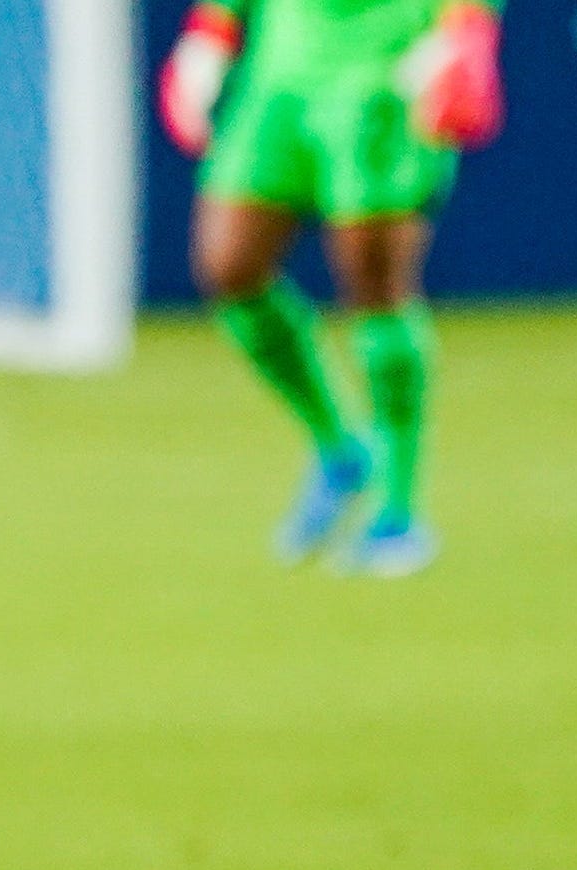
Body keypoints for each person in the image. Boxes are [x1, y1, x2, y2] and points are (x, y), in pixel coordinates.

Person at [159, 0, 504, 573]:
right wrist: (210, 34)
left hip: (383, 76)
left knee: (375, 286)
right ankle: (340, 451)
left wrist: (465, 33)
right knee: (229, 268)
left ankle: (397, 512)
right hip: (280, 76)